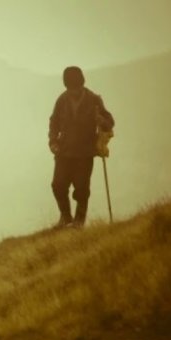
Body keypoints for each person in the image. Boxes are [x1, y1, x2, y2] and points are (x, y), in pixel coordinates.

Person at [48, 66, 115, 228]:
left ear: (82, 84)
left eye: (76, 88)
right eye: (71, 88)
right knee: (58, 185)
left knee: (82, 189)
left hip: (85, 153)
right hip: (64, 152)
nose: (74, 92)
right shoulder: (62, 100)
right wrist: (53, 141)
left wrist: (102, 121)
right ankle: (66, 217)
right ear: (66, 86)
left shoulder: (94, 100)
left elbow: (110, 122)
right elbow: (54, 122)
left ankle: (79, 222)